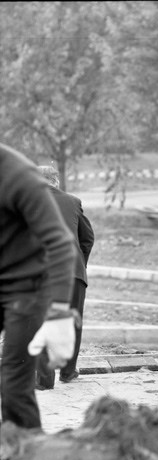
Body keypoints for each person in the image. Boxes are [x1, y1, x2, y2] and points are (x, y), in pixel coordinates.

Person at [0, 143, 77, 429]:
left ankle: (27, 458)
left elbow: (60, 243)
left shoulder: (16, 173)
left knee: (14, 384)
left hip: (26, 286)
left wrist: (58, 314)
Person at [36, 165, 94, 388]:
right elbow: (87, 238)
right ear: (55, 181)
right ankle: (68, 373)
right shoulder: (73, 201)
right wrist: (80, 265)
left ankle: (44, 380)